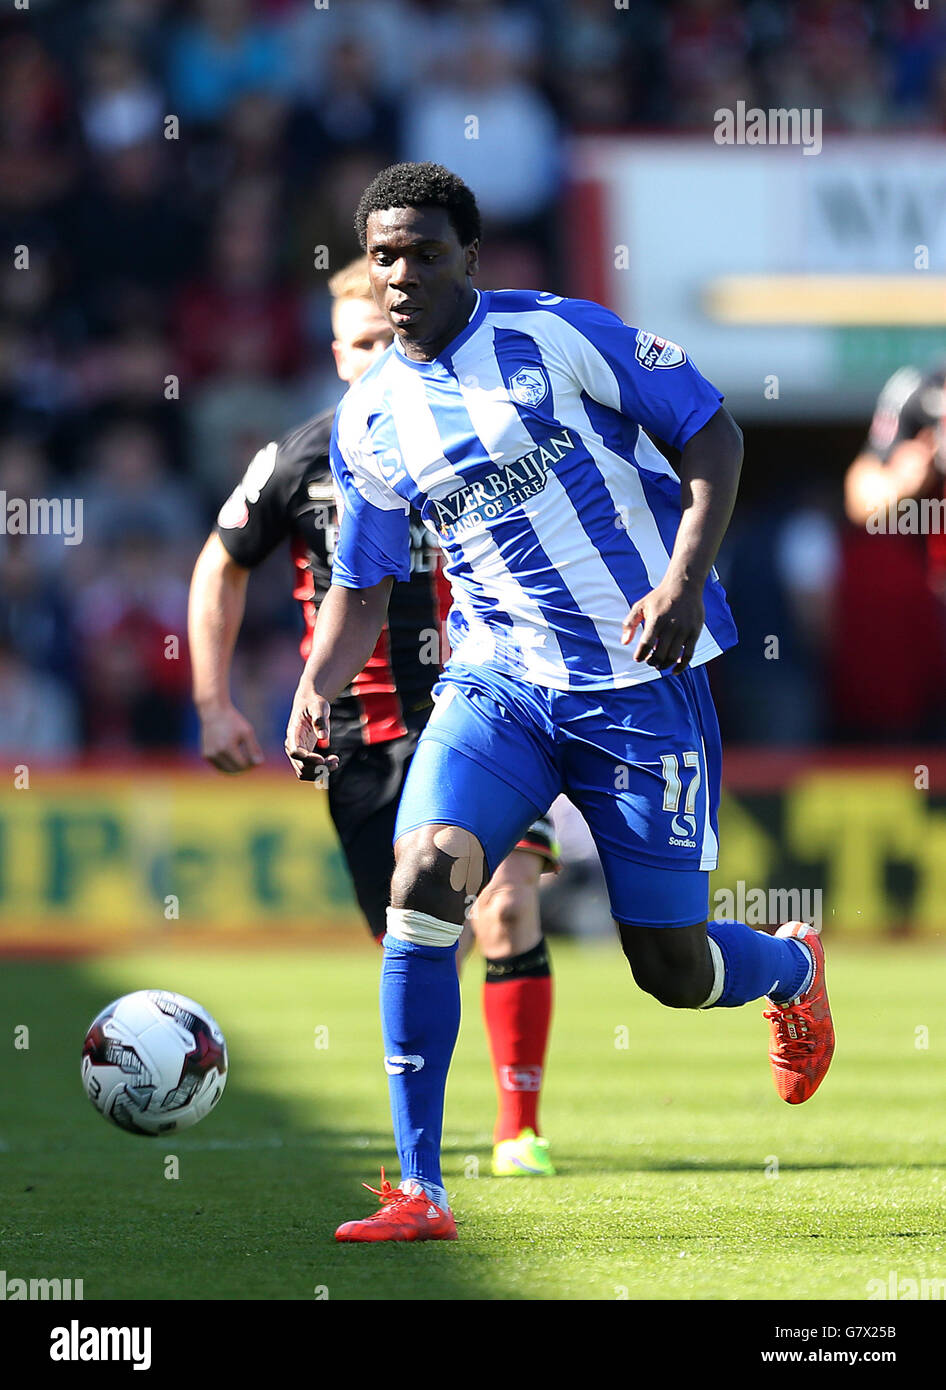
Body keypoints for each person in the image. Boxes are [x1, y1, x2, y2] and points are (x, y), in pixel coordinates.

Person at [285, 162, 836, 1244]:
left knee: (670, 970)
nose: (401, 275)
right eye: (384, 256)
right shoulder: (369, 422)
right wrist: (314, 682)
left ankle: (790, 967)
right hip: (497, 685)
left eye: (424, 253)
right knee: (424, 879)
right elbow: (363, 582)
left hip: (639, 684)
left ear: (470, 258)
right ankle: (419, 1188)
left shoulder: (555, 334)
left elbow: (713, 434)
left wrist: (679, 581)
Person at [188, 255, 559, 1179]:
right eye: (354, 344)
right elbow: (219, 566)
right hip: (361, 739)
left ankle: (520, 1130)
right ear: (333, 351)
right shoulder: (298, 458)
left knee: (508, 902)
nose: (369, 359)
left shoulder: (481, 440)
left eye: (384, 340)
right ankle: (427, 1137)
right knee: (424, 934)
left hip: (489, 709)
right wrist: (213, 701)